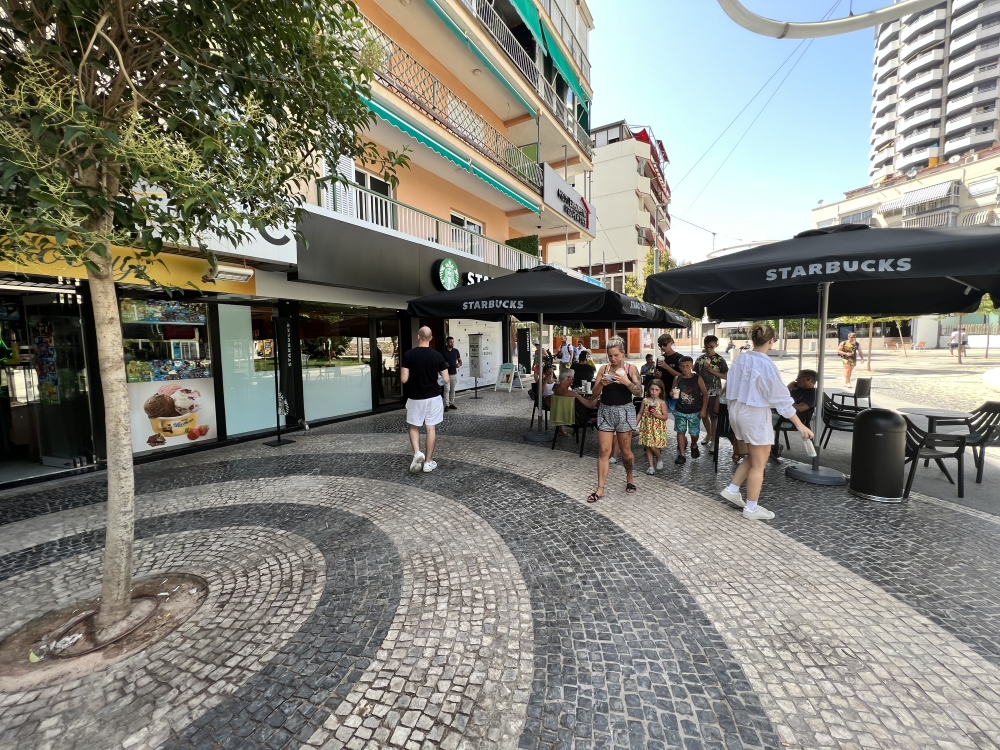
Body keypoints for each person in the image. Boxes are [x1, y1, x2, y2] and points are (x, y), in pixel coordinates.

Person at [720, 323, 814, 520]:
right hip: (754, 415)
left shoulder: (740, 359)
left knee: (755, 456)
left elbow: (729, 387)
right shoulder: (766, 364)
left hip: (737, 412)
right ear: (771, 341)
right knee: (759, 463)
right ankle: (751, 508)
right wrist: (800, 424)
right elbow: (781, 399)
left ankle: (733, 488)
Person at [584, 336, 643, 503]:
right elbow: (594, 394)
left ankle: (630, 478)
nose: (613, 358)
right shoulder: (603, 369)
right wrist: (601, 384)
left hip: (624, 411)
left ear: (623, 353)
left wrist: (626, 382)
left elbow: (639, 392)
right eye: (610, 355)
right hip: (605, 411)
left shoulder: (630, 368)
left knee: (626, 451)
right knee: (603, 451)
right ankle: (600, 489)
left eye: (616, 355)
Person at [401, 326, 449, 474]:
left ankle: (417, 453)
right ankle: (428, 462)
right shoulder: (438, 356)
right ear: (431, 338)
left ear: (418, 337)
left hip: (415, 397)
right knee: (430, 428)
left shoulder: (408, 355)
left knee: (414, 426)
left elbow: (404, 379)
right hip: (433, 397)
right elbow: (446, 379)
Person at [671, 356, 708, 464]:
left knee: (694, 433)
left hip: (694, 411)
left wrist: (703, 409)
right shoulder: (677, 378)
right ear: (679, 367)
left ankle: (694, 444)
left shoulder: (697, 378)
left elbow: (705, 394)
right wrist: (672, 394)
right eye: (682, 366)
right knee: (680, 431)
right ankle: (682, 454)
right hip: (680, 410)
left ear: (692, 366)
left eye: (687, 365)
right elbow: (673, 393)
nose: (685, 368)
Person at [695, 336, 728, 451]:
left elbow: (726, 376)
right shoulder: (700, 359)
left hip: (715, 392)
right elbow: (696, 375)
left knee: (714, 417)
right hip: (701, 393)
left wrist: (713, 371)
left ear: (716, 346)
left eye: (711, 347)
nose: (709, 349)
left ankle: (714, 441)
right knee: (703, 415)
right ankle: (709, 434)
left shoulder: (720, 360)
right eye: (707, 346)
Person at [638, 378, 668, 474]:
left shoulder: (661, 402)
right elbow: (640, 413)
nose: (653, 392)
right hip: (647, 427)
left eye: (656, 390)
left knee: (654, 446)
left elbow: (665, 417)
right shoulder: (645, 400)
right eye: (652, 389)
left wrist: (656, 415)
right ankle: (651, 466)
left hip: (657, 428)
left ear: (660, 391)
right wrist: (634, 424)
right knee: (648, 446)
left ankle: (659, 458)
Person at [653, 334, 683, 412]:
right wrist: (657, 377)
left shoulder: (679, 358)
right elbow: (658, 378)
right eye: (660, 345)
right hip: (663, 393)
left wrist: (666, 366)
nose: (662, 347)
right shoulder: (659, 359)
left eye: (665, 344)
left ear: (671, 342)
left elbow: (682, 376)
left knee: (677, 418)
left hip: (675, 393)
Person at [441, 336, 462, 410]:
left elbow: (460, 361)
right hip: (446, 373)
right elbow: (440, 362)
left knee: (452, 389)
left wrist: (458, 364)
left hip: (454, 373)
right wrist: (444, 364)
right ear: (447, 342)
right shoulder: (443, 352)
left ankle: (451, 403)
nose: (452, 343)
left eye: (453, 342)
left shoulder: (456, 351)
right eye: (450, 342)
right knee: (447, 389)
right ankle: (446, 405)